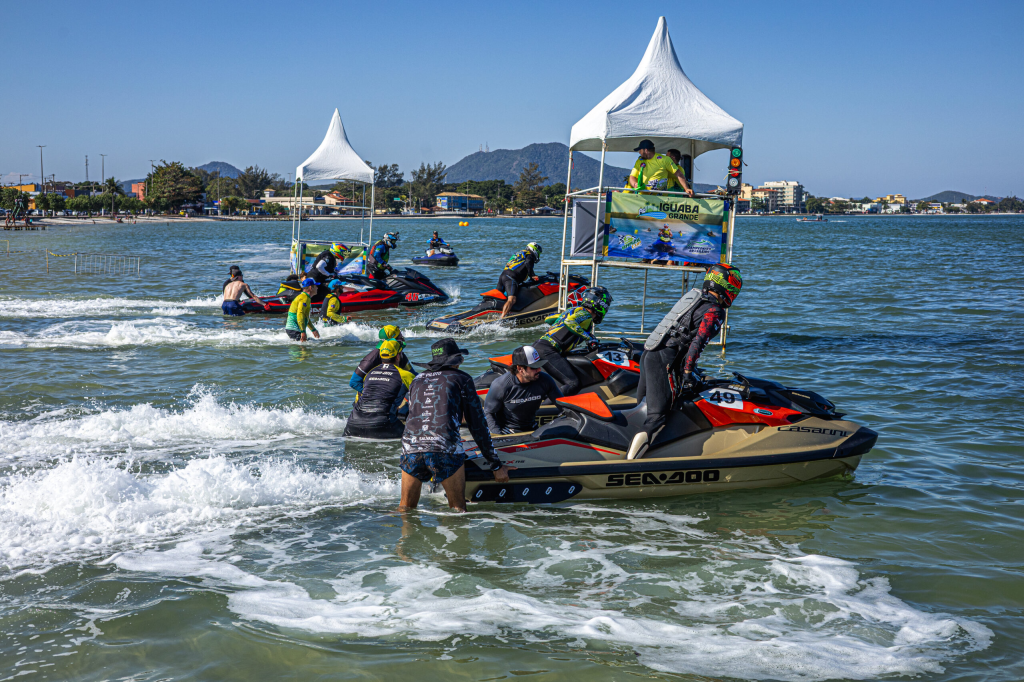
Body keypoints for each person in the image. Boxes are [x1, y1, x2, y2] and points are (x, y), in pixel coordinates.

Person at [627, 263, 742, 460]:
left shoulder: (695, 299)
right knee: (657, 417)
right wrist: (688, 372)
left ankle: (635, 446)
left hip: (650, 354)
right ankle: (630, 463)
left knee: (644, 409)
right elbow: (697, 344)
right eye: (734, 283)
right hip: (664, 361)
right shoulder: (715, 311)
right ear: (724, 284)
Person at [399, 338, 513, 512]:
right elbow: (478, 425)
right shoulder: (462, 379)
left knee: (406, 509)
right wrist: (496, 465)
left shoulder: (417, 379)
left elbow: (408, 413)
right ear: (457, 360)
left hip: (411, 447)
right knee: (457, 510)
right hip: (443, 448)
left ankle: (403, 537)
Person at [533, 286, 613, 395]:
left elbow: (549, 319)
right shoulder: (586, 314)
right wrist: (589, 338)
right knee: (573, 383)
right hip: (548, 350)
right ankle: (548, 409)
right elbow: (570, 322)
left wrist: (560, 320)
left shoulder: (572, 310)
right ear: (601, 304)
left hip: (541, 345)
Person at [343, 339, 414, 439]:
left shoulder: (369, 373)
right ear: (398, 356)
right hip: (383, 425)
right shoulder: (405, 375)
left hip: (352, 425)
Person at [484, 345, 563, 435]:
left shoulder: (545, 380)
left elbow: (562, 407)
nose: (539, 370)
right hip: (509, 431)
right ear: (520, 369)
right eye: (534, 367)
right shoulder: (501, 385)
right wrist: (498, 435)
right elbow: (488, 412)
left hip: (532, 427)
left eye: (539, 365)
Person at [349, 325, 415, 395]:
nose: (403, 340)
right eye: (400, 338)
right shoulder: (371, 359)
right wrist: (374, 395)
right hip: (368, 399)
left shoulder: (398, 354)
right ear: (391, 340)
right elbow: (354, 382)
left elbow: (413, 375)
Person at [627, 140, 694, 197]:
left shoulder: (664, 160)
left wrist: (686, 188)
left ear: (646, 150)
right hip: (642, 197)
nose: (639, 152)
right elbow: (632, 176)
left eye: (640, 150)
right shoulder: (639, 160)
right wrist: (635, 184)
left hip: (660, 200)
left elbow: (679, 174)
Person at [498, 242, 542, 319]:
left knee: (499, 297)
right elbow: (528, 263)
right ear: (534, 250)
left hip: (503, 275)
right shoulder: (530, 255)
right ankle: (502, 318)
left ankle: (495, 313)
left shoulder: (520, 253)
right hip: (511, 277)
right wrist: (532, 275)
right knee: (512, 299)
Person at [284, 278, 321, 342]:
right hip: (294, 329)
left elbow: (305, 316)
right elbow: (300, 314)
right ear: (310, 288)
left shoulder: (305, 297)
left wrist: (313, 329)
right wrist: (303, 331)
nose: (317, 288)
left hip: (293, 329)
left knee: (310, 344)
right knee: (304, 348)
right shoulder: (304, 298)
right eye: (315, 286)